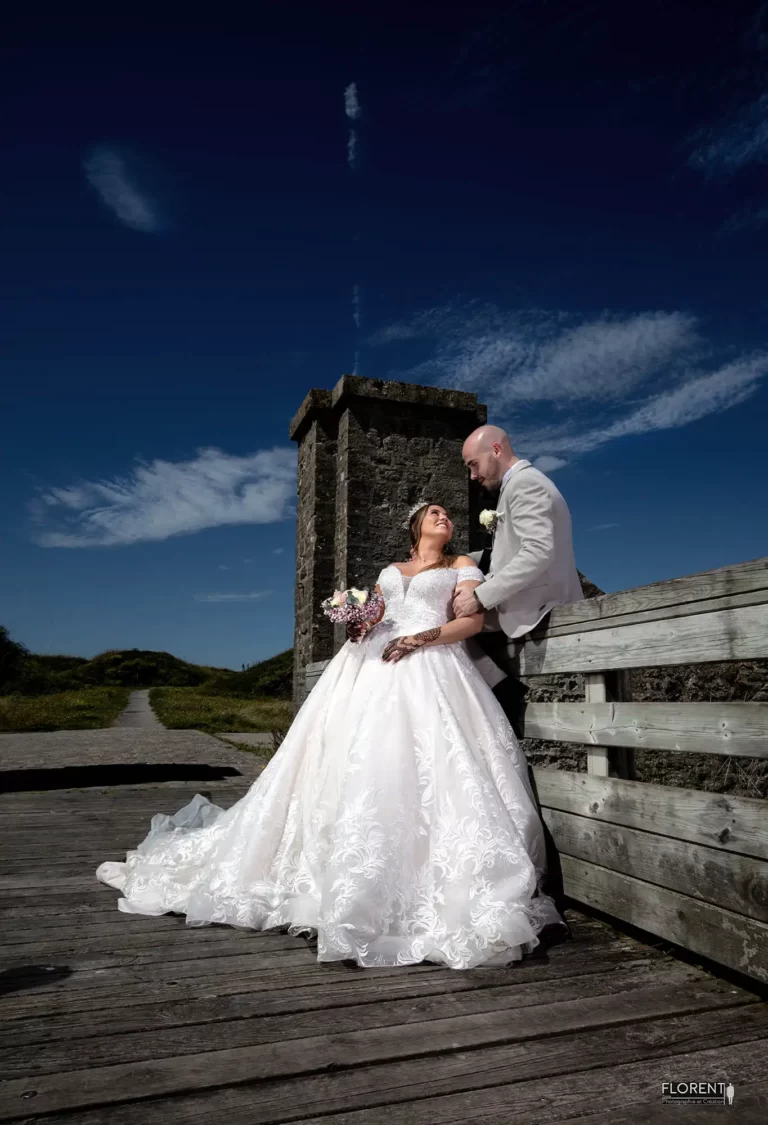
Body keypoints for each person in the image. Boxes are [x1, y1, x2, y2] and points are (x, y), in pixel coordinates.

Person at [96, 501, 568, 969]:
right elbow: (377, 616)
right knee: (351, 755)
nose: (443, 518)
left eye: (447, 514)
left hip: (432, 664)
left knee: (434, 761)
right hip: (370, 667)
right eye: (433, 513)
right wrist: (359, 623)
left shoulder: (460, 565)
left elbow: (471, 621)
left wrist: (417, 639)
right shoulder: (390, 570)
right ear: (415, 526)